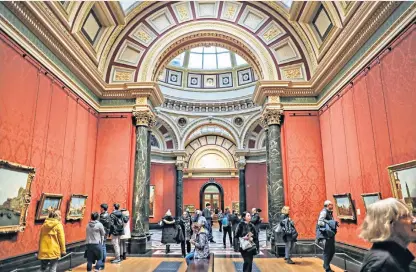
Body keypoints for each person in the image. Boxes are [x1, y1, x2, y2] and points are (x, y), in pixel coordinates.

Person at [360, 198, 416, 272]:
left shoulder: (389, 258)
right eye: (405, 216)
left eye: (411, 214)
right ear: (387, 225)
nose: (414, 220)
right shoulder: (383, 265)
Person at [316, 200, 339, 272]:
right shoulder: (324, 212)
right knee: (327, 251)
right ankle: (327, 268)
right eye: (331, 205)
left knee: (332, 251)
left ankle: (326, 264)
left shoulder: (329, 212)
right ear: (328, 205)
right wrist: (328, 224)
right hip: (325, 235)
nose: (332, 206)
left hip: (330, 234)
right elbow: (319, 222)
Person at [97, 203, 111, 270]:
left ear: (103, 208)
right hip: (106, 233)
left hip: (102, 233)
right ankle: (102, 263)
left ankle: (101, 264)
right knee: (103, 247)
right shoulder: (108, 214)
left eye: (101, 208)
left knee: (102, 248)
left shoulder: (103, 216)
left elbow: (98, 224)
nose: (100, 209)